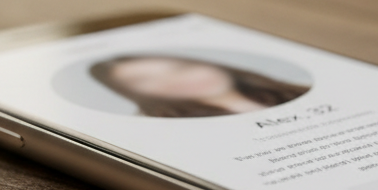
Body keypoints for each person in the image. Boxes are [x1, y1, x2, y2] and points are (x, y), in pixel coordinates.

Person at [88, 54, 309, 117]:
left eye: (180, 69)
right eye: (146, 80)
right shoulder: (159, 132)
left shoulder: (304, 91)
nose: (178, 80)